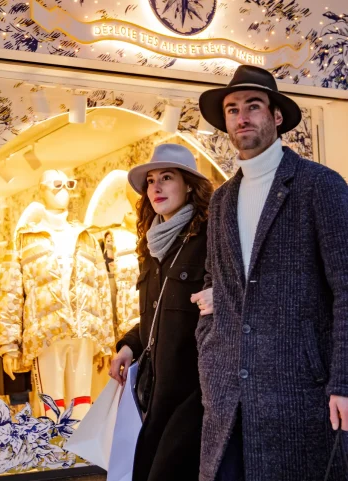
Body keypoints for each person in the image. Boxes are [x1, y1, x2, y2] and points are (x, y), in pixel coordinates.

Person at [196, 64, 348, 481]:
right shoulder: (223, 199)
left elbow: (346, 289)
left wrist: (344, 381)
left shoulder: (320, 185)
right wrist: (209, 348)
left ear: (276, 116)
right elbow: (214, 280)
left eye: (253, 106)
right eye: (232, 109)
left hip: (299, 391)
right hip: (229, 394)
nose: (241, 117)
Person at [109, 143, 213, 481]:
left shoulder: (208, 238)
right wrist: (129, 345)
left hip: (195, 393)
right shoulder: (152, 247)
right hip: (156, 392)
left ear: (189, 185)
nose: (155, 187)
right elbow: (156, 315)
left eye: (166, 178)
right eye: (150, 180)